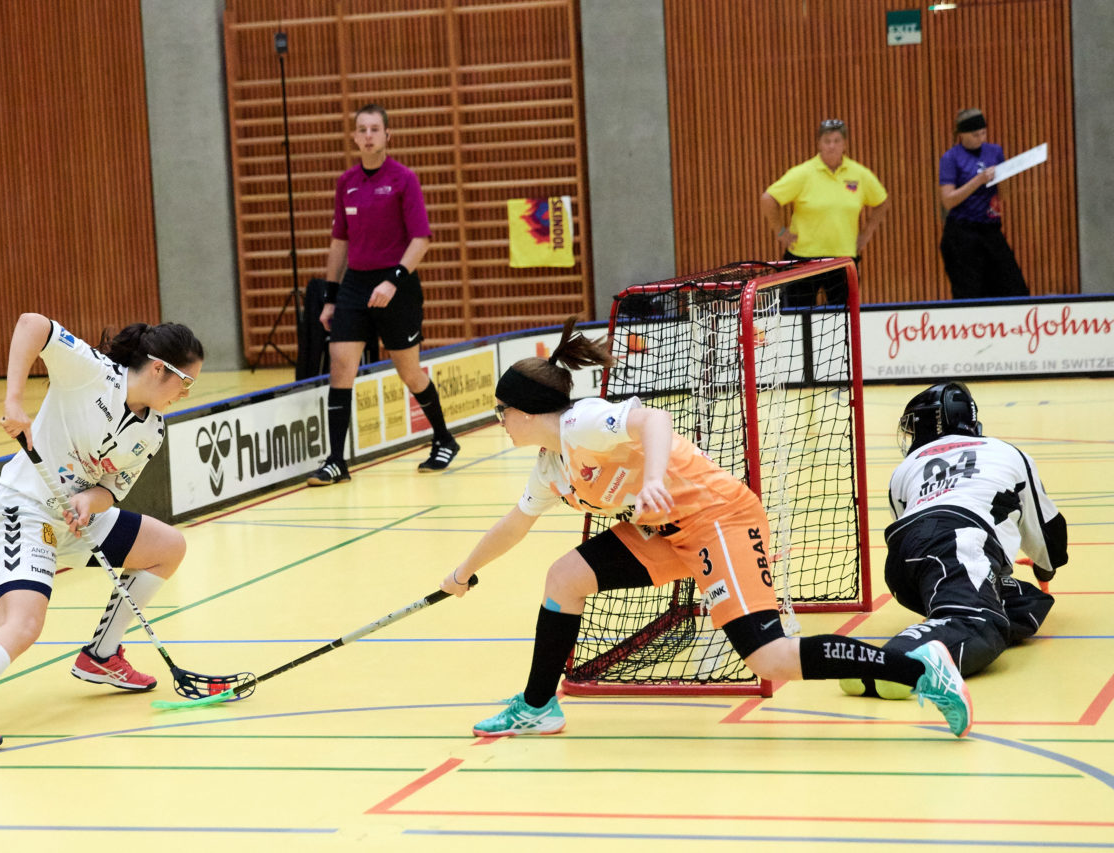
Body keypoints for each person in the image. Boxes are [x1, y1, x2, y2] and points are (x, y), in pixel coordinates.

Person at [440, 319, 973, 739]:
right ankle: (537, 707)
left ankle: (919, 667)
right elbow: (514, 525)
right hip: (670, 533)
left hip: (721, 518)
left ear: (528, 412)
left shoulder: (582, 423)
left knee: (772, 659)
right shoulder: (550, 465)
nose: (500, 421)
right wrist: (462, 573)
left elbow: (652, 421)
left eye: (501, 412)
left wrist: (650, 479)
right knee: (564, 577)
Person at [0, 313, 203, 752]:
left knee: (169, 547)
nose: (185, 393)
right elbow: (32, 324)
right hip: (23, 509)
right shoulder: (91, 372)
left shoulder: (152, 430)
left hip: (72, 519)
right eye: (185, 381)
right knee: (22, 625)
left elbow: (111, 488)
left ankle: (100, 657)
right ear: (159, 367)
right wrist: (14, 400)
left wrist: (92, 501)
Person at [841, 382, 1065, 701]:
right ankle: (892, 661)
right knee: (982, 628)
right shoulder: (1005, 451)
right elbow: (1047, 530)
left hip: (905, 566)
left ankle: (942, 619)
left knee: (1026, 604)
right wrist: (1046, 571)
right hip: (961, 539)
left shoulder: (905, 468)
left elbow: (912, 526)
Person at [308, 103, 458, 486]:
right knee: (341, 365)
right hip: (356, 284)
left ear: (387, 135)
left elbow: (421, 239)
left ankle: (443, 438)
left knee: (409, 371)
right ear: (355, 137)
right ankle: (336, 461)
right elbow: (339, 241)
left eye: (376, 128)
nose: (369, 135)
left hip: (398, 283)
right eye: (363, 129)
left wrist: (393, 280)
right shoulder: (347, 182)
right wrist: (329, 296)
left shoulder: (404, 179)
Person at [760, 118, 891, 307]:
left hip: (843, 258)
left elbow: (882, 202)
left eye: (837, 141)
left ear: (845, 144)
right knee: (797, 318)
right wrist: (780, 231)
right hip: (803, 258)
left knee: (843, 320)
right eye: (827, 141)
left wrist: (867, 232)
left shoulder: (859, 174)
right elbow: (768, 199)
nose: (832, 146)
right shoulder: (803, 173)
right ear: (818, 144)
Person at [938, 109, 1030, 300]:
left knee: (1014, 288)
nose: (980, 138)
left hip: (990, 229)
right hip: (962, 232)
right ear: (961, 135)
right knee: (970, 292)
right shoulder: (951, 158)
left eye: (983, 133)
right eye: (975, 134)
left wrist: (1005, 177)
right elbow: (948, 200)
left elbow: (1005, 193)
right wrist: (978, 180)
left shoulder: (994, 151)